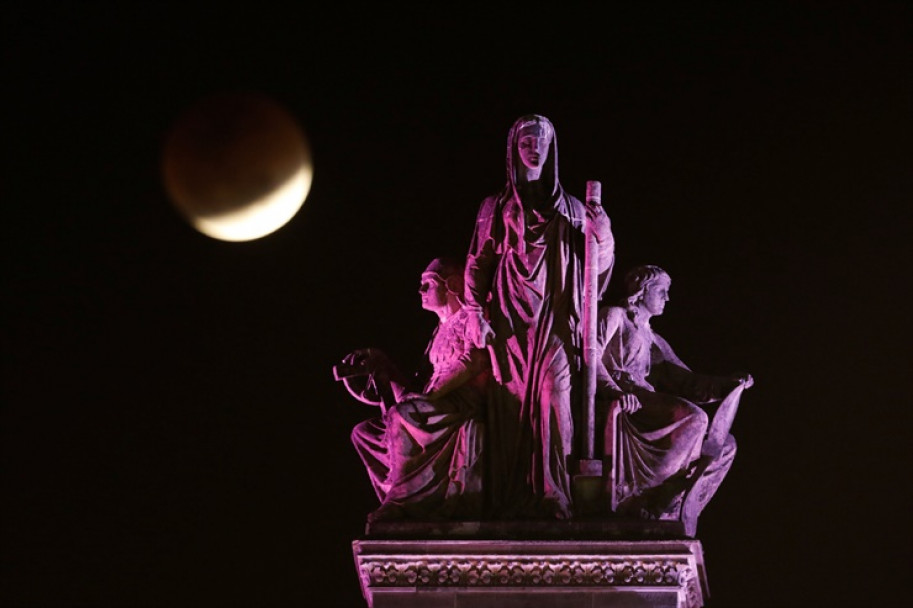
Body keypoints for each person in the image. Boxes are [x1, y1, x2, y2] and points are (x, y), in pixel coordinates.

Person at [462, 114, 616, 519]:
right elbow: (478, 262)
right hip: (511, 320)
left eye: (540, 143)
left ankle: (555, 492)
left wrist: (604, 234)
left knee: (556, 395)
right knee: (512, 407)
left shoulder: (573, 208)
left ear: (551, 150)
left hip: (555, 317)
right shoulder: (496, 207)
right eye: (526, 142)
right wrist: (476, 310)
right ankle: (511, 496)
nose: (533, 149)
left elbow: (597, 267)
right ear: (515, 149)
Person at [595, 264, 754, 536]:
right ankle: (644, 495)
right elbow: (590, 357)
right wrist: (613, 389)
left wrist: (728, 385)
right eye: (662, 291)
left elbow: (687, 383)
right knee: (695, 419)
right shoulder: (614, 316)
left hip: (645, 400)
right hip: (623, 399)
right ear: (641, 291)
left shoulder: (655, 340)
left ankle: (669, 500)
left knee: (724, 445)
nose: (667, 298)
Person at [338, 257, 490, 523]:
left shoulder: (470, 319)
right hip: (434, 407)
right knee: (363, 433)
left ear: (453, 284)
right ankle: (400, 492)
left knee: (401, 415)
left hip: (460, 403)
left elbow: (476, 360)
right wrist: (384, 367)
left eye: (428, 284)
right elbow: (412, 395)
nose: (420, 291)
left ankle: (403, 500)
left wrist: (432, 395)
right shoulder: (437, 334)